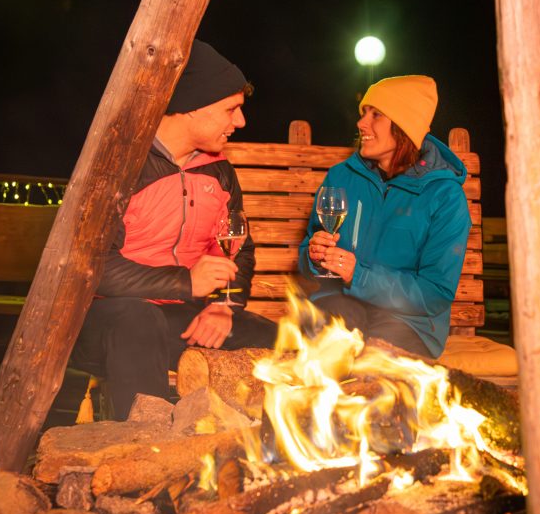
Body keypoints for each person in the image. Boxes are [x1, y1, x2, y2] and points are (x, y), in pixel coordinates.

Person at [71, 40, 277, 418]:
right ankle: (142, 445)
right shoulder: (121, 165)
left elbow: (237, 248)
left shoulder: (219, 171)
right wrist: (185, 282)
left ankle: (242, 449)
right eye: (231, 110)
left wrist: (224, 305)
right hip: (104, 322)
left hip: (182, 319)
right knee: (138, 320)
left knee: (274, 341)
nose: (240, 122)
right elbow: (92, 268)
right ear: (192, 106)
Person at [299, 74, 471, 358]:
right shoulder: (341, 176)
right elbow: (308, 256)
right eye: (364, 112)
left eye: (376, 114)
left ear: (405, 127)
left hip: (409, 322)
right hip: (341, 304)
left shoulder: (445, 197)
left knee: (378, 361)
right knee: (333, 345)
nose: (361, 123)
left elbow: (435, 292)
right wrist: (315, 256)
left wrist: (360, 276)